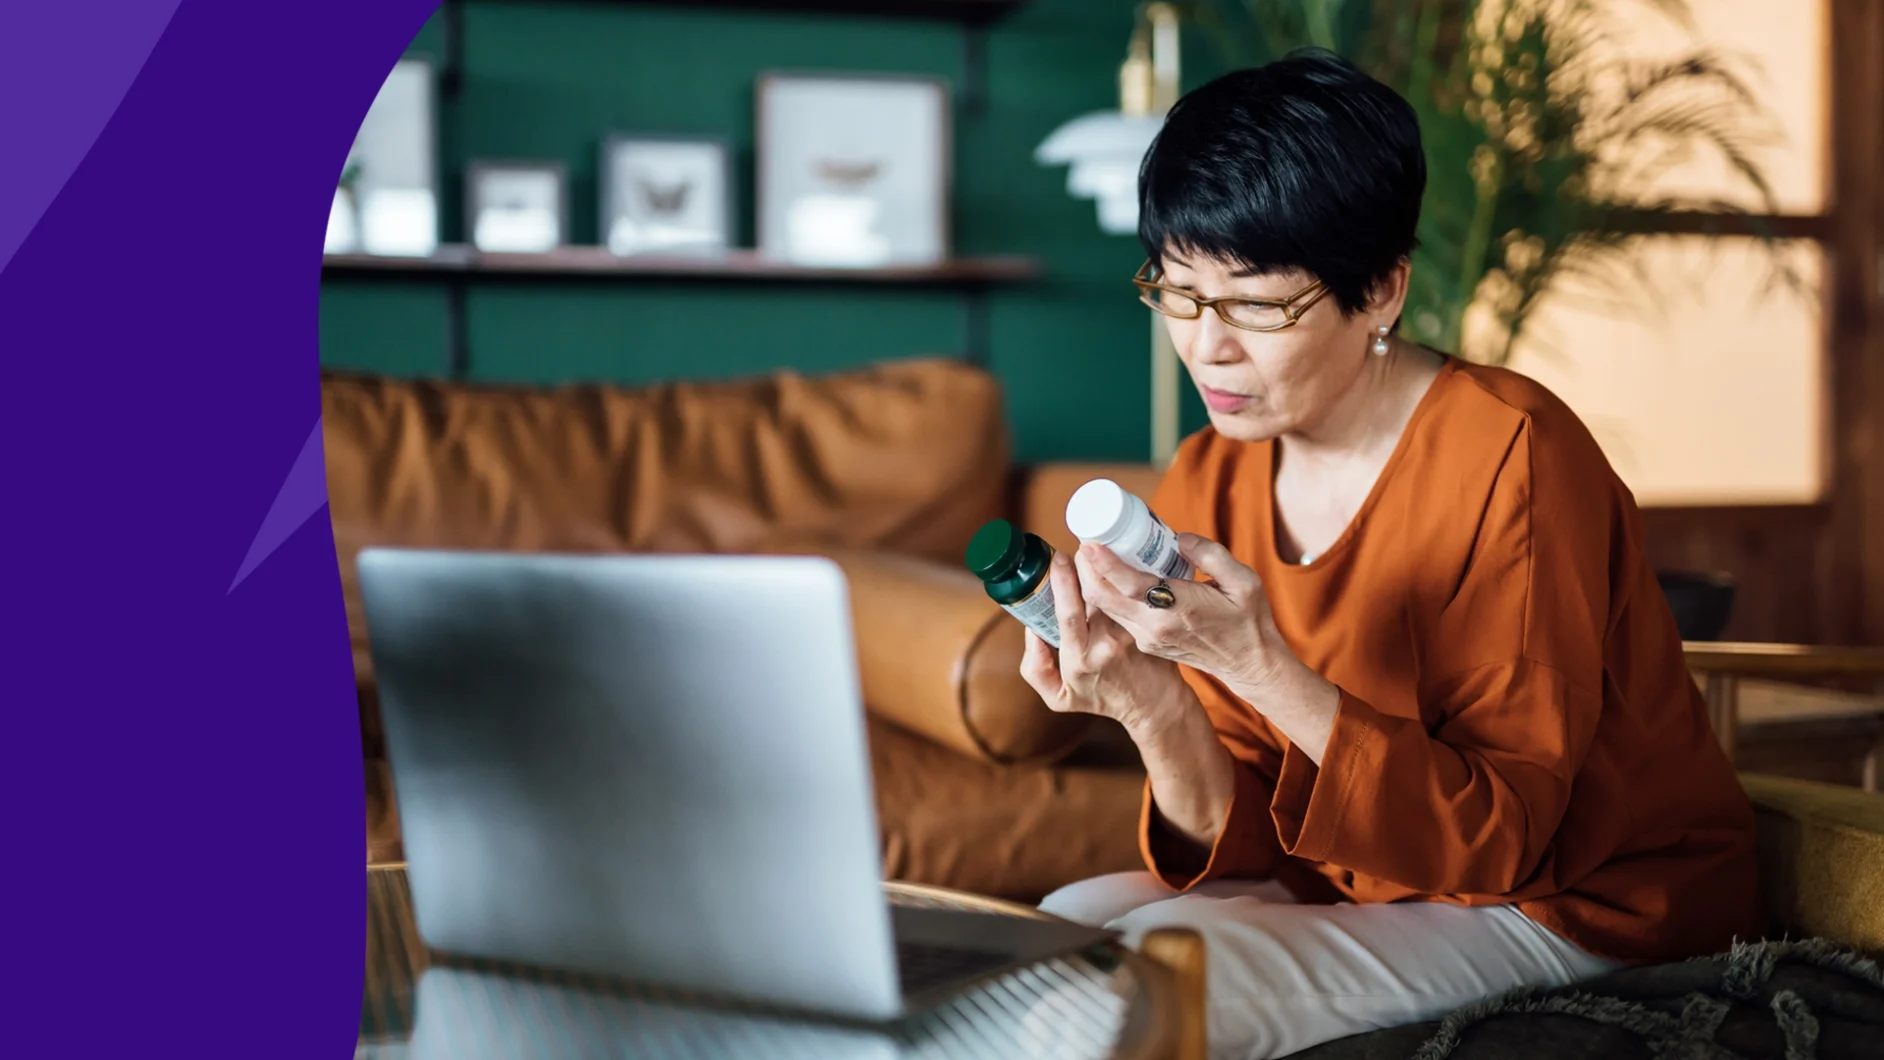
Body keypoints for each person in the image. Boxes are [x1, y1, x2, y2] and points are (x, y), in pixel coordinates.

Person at [1025, 50, 1762, 1060]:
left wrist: (1256, 665)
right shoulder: (1208, 476)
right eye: (1180, 293)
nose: (1206, 346)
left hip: (1573, 903)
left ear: (1379, 291)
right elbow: (1242, 828)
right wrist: (1149, 702)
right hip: (1357, 873)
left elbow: (1502, 839)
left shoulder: (1515, 455)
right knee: (1053, 930)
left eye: (1253, 304)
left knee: (1127, 990)